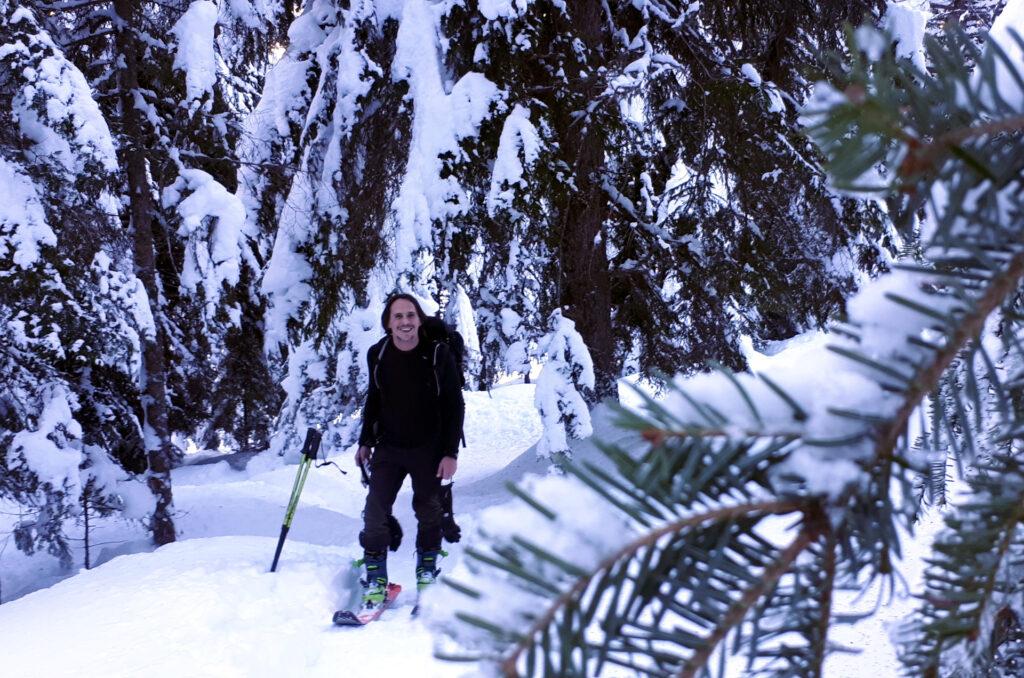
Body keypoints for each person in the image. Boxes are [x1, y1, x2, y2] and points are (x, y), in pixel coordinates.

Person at [354, 293, 465, 609]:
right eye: (398, 316)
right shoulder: (378, 353)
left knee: (428, 511)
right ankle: (376, 580)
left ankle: (427, 575)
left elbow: (454, 406)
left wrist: (450, 453)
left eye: (410, 315)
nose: (405, 322)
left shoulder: (437, 354)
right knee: (375, 512)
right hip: (389, 447)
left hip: (428, 448)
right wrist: (365, 441)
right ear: (388, 323)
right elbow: (374, 400)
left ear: (419, 319)